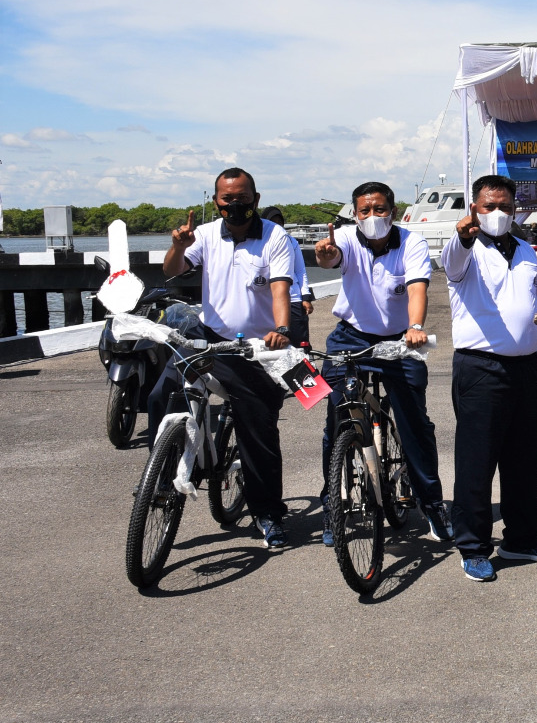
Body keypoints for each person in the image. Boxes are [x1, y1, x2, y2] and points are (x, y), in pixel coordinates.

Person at [149, 167, 294, 548]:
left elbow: (281, 288)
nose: (235, 204)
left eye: (242, 197)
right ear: (217, 201)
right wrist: (179, 246)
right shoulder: (208, 234)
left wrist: (282, 329)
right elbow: (172, 271)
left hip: (256, 347)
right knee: (159, 395)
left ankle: (268, 513)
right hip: (209, 337)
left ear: (255, 199)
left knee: (258, 433)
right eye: (227, 199)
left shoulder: (275, 237)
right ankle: (159, 478)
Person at [312, 182, 451, 547]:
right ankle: (333, 503)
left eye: (379, 209)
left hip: (400, 338)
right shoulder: (343, 238)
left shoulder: (411, 243)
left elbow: (418, 287)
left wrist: (416, 327)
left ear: (392, 209)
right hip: (351, 337)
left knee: (414, 424)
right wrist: (324, 255)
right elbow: (329, 258)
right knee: (337, 421)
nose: (372, 217)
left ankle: (432, 503)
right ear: (355, 214)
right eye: (364, 210)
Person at [441, 174, 537, 581]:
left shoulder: (526, 251)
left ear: (515, 209)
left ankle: (522, 539)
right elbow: (451, 264)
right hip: (481, 368)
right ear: (474, 208)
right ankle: (473, 546)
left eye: (504, 207)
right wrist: (462, 237)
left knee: (525, 459)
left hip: (526, 367)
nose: (496, 213)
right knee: (477, 462)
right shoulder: (466, 250)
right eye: (488, 206)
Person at [260, 206, 314, 347]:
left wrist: (306, 297)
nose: (277, 225)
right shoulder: (259, 242)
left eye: (279, 222)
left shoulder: (292, 241)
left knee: (299, 345)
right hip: (268, 302)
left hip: (294, 300)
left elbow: (300, 271)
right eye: (272, 221)